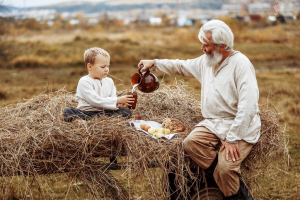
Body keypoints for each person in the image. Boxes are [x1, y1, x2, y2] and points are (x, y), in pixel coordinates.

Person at [138, 20, 260, 199]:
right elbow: (181, 66)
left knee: (226, 169)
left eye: (206, 44)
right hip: (214, 123)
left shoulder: (241, 65)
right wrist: (154, 63)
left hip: (240, 125)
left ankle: (237, 193)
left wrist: (233, 139)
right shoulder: (207, 61)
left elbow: (248, 106)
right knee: (190, 144)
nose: (202, 48)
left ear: (222, 46)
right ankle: (219, 177)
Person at [64, 47, 134, 123]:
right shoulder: (84, 81)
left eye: (108, 66)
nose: (106, 69)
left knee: (126, 112)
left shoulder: (109, 81)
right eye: (103, 67)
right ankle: (80, 121)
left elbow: (113, 99)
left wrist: (122, 103)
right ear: (90, 66)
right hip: (87, 113)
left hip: (104, 113)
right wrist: (118, 100)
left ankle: (102, 121)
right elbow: (95, 101)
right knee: (68, 111)